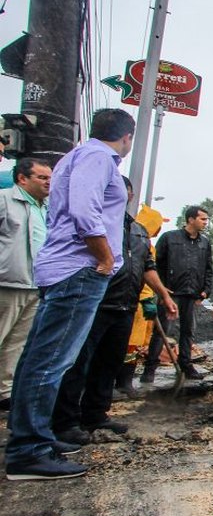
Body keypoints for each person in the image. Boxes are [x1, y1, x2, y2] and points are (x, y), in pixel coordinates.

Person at [5, 107, 133, 481]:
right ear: (127, 137)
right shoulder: (99, 158)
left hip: (63, 268)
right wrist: (106, 257)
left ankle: (35, 438)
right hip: (79, 269)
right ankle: (28, 451)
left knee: (38, 358)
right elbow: (84, 210)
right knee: (50, 362)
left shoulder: (74, 156)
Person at [52, 178, 176, 445]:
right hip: (94, 304)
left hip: (124, 306)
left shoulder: (139, 231)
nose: (123, 198)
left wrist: (163, 294)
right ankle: (65, 421)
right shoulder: (93, 224)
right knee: (79, 364)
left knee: (108, 364)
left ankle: (95, 414)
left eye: (127, 194)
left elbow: (147, 267)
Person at [0, 157, 52, 410]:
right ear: (22, 178)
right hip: (7, 283)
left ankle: (5, 392)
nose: (47, 183)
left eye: (49, 178)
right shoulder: (4, 200)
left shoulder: (46, 208)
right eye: (41, 178)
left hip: (35, 285)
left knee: (16, 343)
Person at [140, 205, 213, 383]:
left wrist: (205, 290)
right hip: (170, 294)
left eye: (206, 219)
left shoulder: (204, 243)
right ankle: (150, 369)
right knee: (163, 331)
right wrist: (162, 289)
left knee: (188, 332)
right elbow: (153, 265)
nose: (206, 222)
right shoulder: (169, 238)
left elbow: (209, 269)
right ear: (190, 219)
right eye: (202, 219)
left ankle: (186, 366)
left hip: (192, 294)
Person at [117, 204, 165, 396]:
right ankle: (123, 383)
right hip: (133, 303)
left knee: (131, 344)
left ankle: (122, 381)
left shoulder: (142, 243)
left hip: (132, 302)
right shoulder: (139, 243)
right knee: (129, 344)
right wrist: (147, 299)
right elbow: (141, 276)